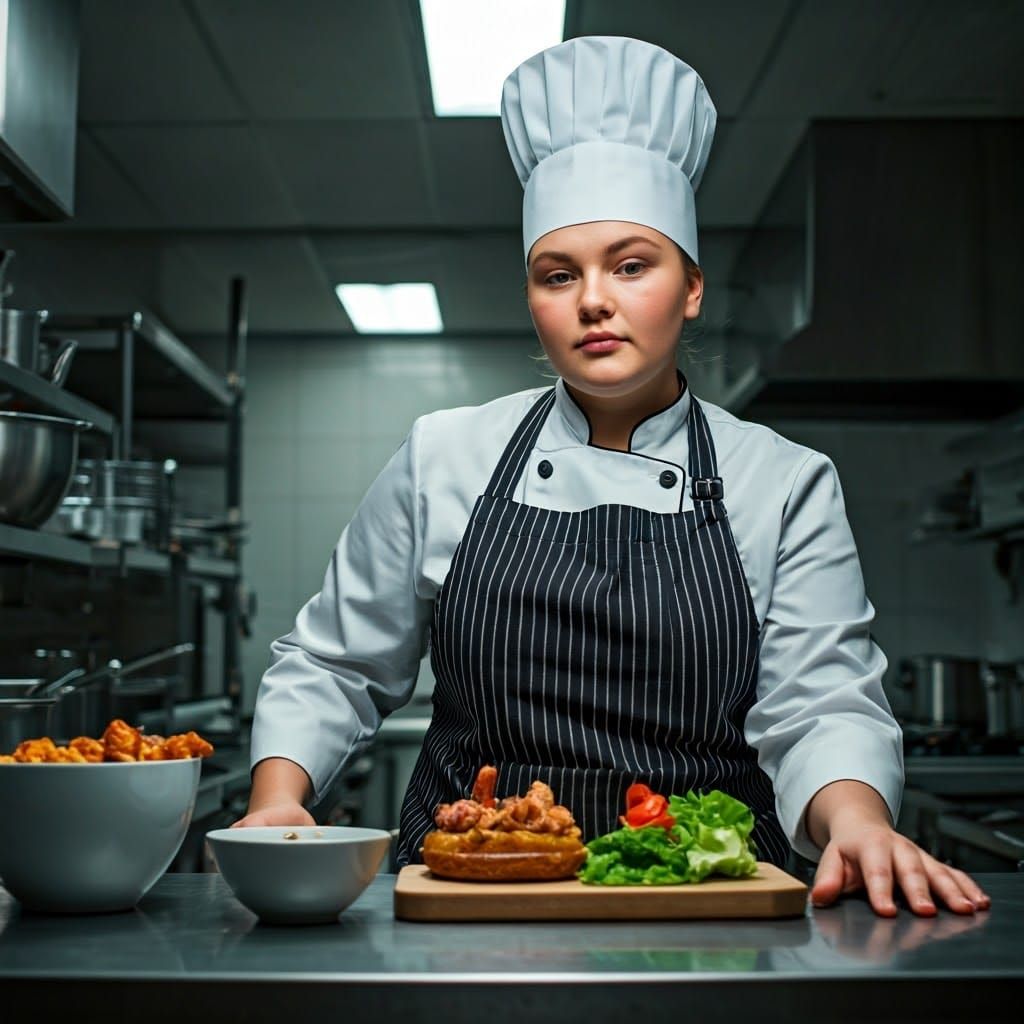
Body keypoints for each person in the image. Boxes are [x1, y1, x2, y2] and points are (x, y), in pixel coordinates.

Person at [237, 35, 989, 919]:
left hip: (709, 910)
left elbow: (822, 701)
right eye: (559, 275)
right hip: (474, 899)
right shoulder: (444, 455)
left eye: (632, 266)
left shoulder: (782, 480)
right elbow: (334, 662)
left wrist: (858, 820)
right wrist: (277, 799)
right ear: (534, 300)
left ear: (692, 287)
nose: (593, 299)